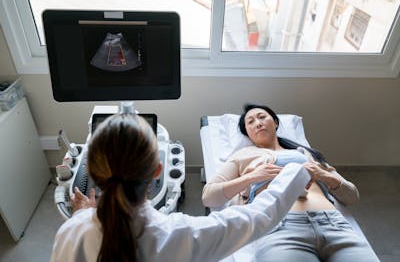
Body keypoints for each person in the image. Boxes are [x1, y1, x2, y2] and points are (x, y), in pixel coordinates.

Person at [50, 113, 311, 262]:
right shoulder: (180, 235)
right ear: (157, 171)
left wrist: (82, 215)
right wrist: (295, 167)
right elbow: (258, 217)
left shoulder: (71, 232)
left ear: (93, 173)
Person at [202, 103, 380, 262]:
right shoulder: (242, 156)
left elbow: (352, 197)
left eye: (262, 117)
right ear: (247, 132)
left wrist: (324, 175)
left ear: (276, 123)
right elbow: (209, 197)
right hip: (280, 228)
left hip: (335, 225)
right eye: (250, 122)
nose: (257, 122)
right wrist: (252, 177)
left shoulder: (307, 154)